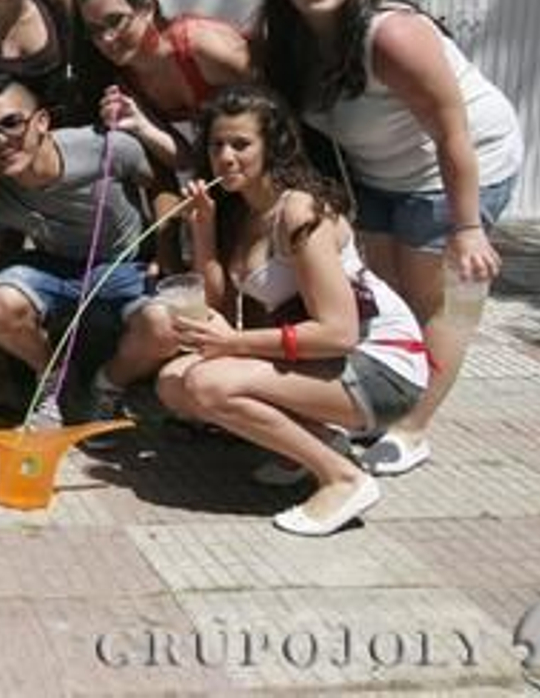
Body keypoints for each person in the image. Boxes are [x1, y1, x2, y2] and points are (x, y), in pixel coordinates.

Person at [253, 0, 522, 475]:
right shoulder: (288, 46)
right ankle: (368, 409)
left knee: (442, 301)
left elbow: (453, 131)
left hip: (460, 167)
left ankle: (413, 425)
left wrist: (467, 227)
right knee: (381, 300)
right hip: (380, 173)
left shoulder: (391, 34)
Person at [157, 85, 430, 536]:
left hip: (381, 367)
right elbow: (220, 306)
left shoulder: (299, 212)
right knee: (173, 382)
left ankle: (343, 478)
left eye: (241, 144)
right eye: (216, 144)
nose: (225, 157)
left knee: (206, 384)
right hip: (325, 360)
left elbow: (339, 332)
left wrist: (236, 344)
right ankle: (316, 442)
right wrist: (203, 231)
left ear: (273, 147)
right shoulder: (240, 210)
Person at [0, 74, 176, 434]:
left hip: (124, 265)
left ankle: (107, 387)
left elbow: (164, 180)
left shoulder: (103, 146)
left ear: (42, 122)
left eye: (12, 123)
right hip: (56, 269)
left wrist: (166, 249)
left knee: (164, 327)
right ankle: (54, 380)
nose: (1, 140)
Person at [72, 0, 251, 172]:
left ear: (147, 8)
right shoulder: (127, 83)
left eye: (115, 21)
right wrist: (141, 125)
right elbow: (186, 160)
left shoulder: (198, 44)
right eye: (95, 31)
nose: (106, 39)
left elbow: (280, 92)